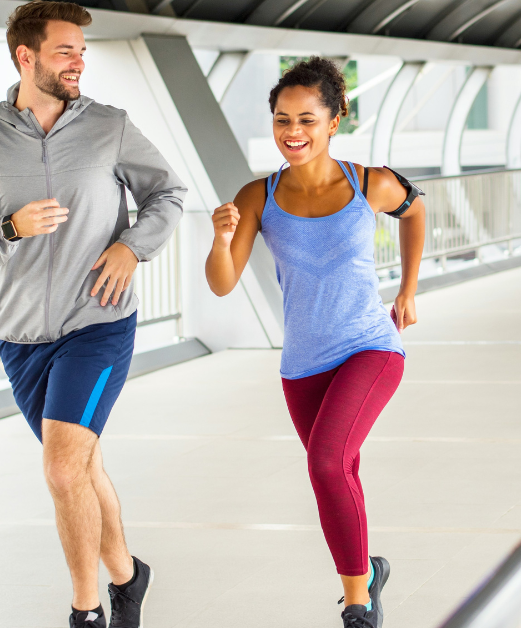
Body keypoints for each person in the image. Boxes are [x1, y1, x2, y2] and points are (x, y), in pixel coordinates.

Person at [0, 3, 186, 627]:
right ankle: (130, 575)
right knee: (82, 468)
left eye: (81, 51)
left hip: (98, 322)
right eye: (65, 51)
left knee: (62, 465)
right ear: (27, 57)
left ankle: (86, 609)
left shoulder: (109, 127)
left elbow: (168, 193)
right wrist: (9, 229)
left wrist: (131, 246)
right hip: (20, 337)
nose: (79, 61)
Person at [204, 57, 426, 628]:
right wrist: (220, 239)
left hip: (370, 347)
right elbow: (223, 283)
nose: (292, 132)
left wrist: (407, 289)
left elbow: (415, 208)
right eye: (282, 119)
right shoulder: (259, 195)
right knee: (337, 471)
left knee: (327, 463)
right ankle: (366, 573)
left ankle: (358, 605)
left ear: (335, 121)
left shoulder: (367, 182)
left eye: (306, 118)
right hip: (302, 363)